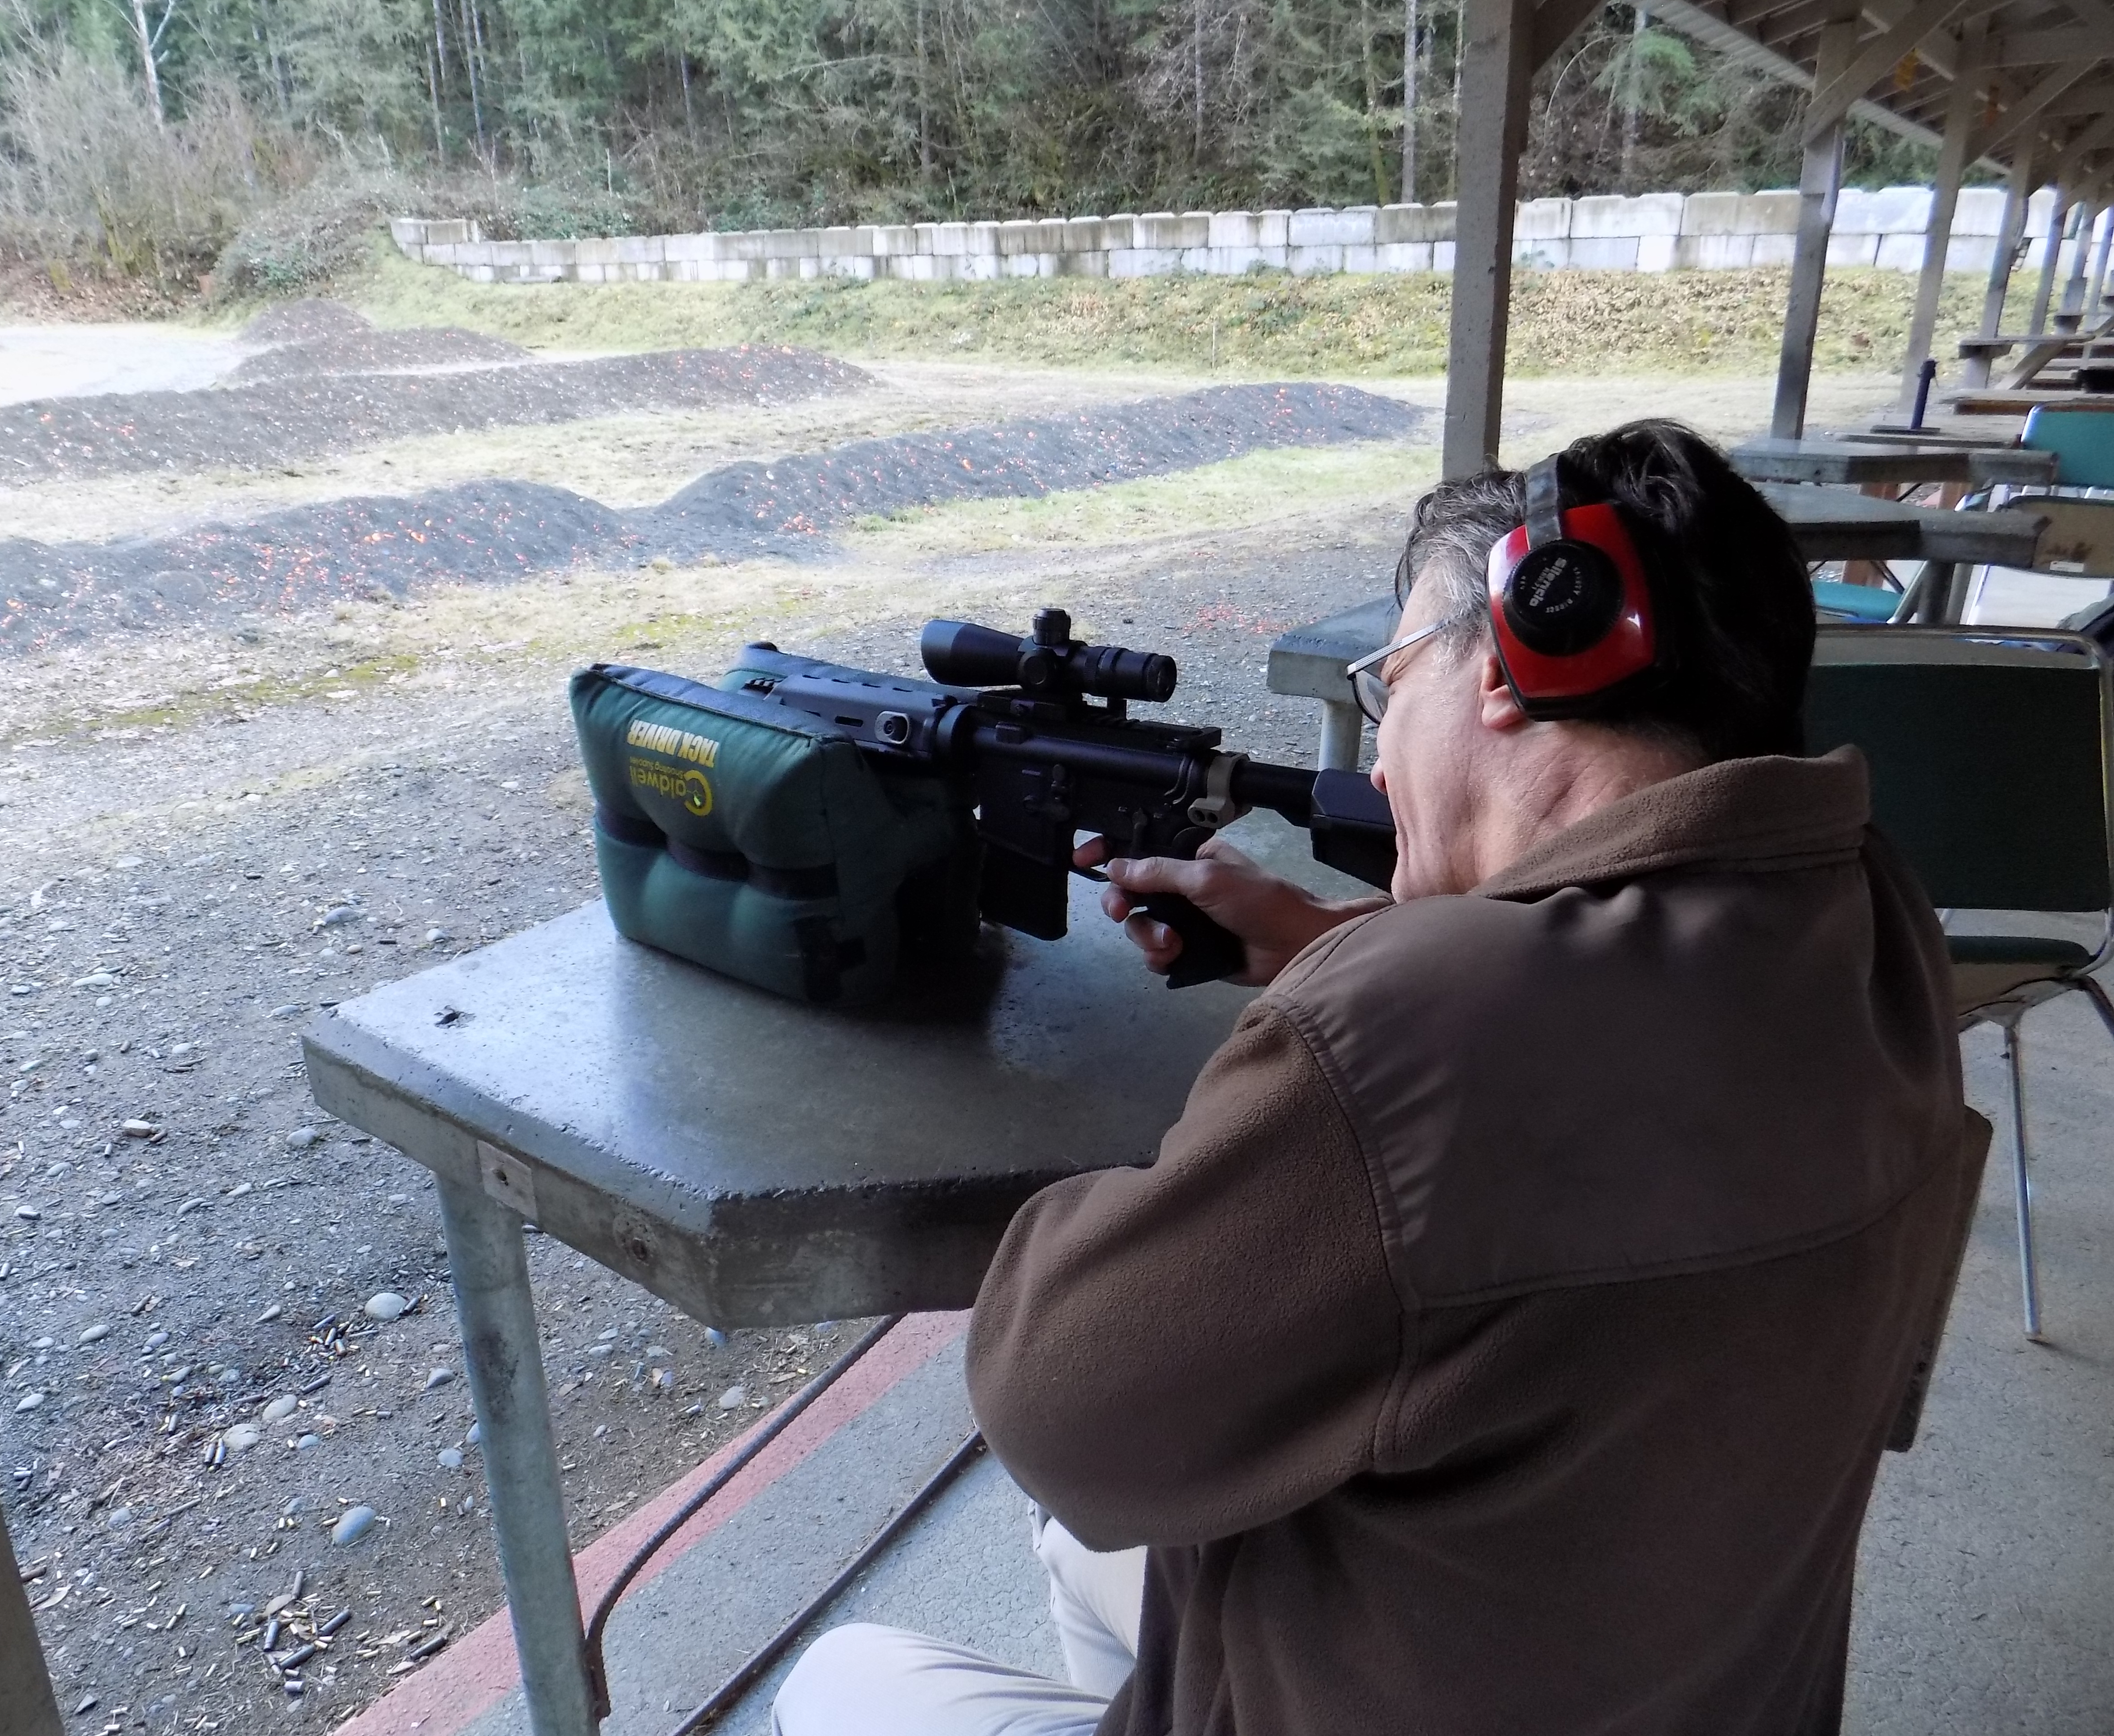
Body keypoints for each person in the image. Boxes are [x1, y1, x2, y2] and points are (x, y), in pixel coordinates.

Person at [772, 421, 1988, 1736]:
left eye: (1388, 681)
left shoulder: (1409, 1029)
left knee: (845, 1677)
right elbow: (1596, 1038)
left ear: (1518, 668)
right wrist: (1336, 944)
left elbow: (1048, 1407)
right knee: (1091, 1556)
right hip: (1676, 1654)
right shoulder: (1872, 921)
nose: (1371, 747)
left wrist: (1332, 1010)